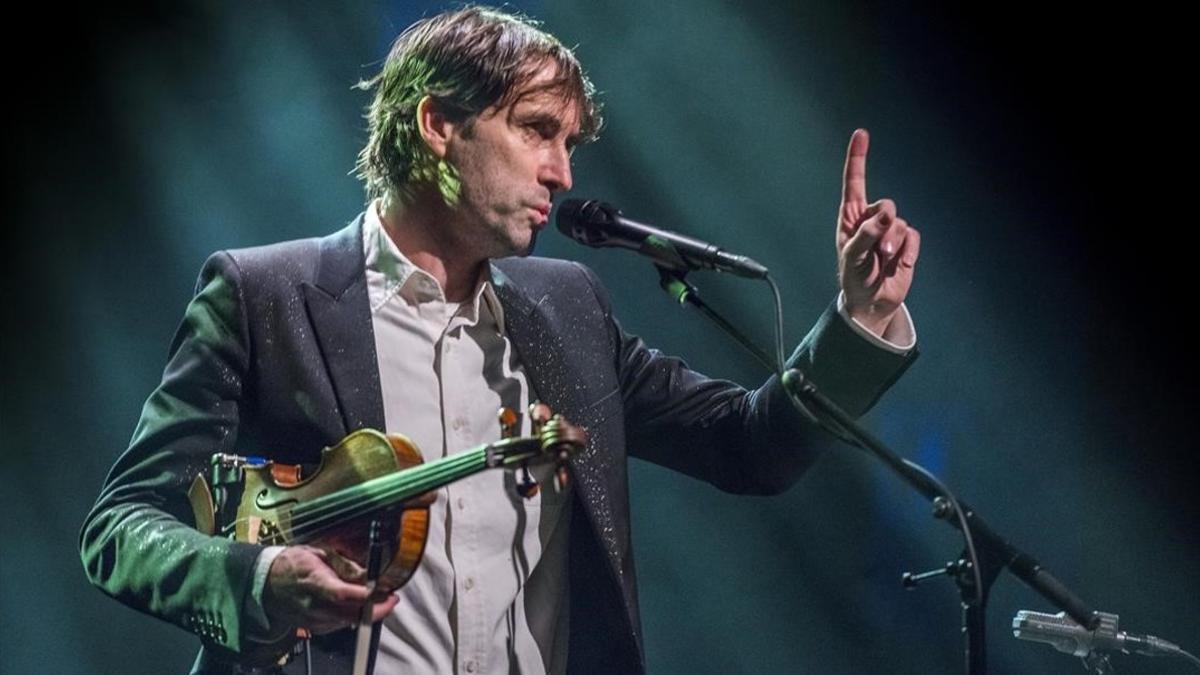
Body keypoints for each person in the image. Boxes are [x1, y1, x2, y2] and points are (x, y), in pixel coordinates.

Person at [80, 6, 920, 674]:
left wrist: (857, 317)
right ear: (439, 123)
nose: (563, 172)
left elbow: (749, 447)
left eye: (569, 143)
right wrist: (258, 581)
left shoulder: (569, 308)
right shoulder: (264, 293)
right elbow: (120, 526)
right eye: (536, 130)